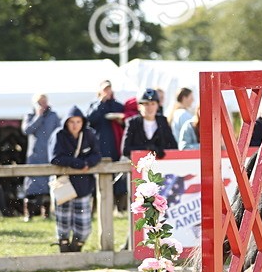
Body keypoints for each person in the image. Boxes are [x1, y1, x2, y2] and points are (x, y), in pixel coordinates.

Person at [49, 106, 102, 254]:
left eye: (78, 121)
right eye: (71, 121)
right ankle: (64, 250)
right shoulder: (58, 135)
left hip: (83, 185)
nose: (75, 125)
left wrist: (88, 163)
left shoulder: (89, 134)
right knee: (63, 223)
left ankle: (76, 250)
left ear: (82, 122)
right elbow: (54, 158)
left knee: (84, 226)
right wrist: (78, 163)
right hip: (63, 183)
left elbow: (97, 155)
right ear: (66, 122)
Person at [86, 80, 128, 211]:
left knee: (118, 176)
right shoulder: (94, 105)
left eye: (109, 89)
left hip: (115, 145)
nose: (108, 92)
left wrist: (121, 120)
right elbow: (90, 120)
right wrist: (101, 102)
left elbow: (125, 121)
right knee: (97, 176)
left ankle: (119, 207)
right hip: (99, 147)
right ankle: (96, 206)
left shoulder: (117, 105)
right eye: (105, 89)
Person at [22, 94, 61, 221]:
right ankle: (29, 214)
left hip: (49, 155)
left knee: (48, 184)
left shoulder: (53, 116)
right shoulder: (30, 115)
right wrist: (38, 117)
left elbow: (59, 132)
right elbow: (27, 130)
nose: (43, 105)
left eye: (44, 102)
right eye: (40, 102)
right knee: (32, 186)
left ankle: (46, 213)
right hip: (34, 155)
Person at [122, 88, 177, 159]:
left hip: (161, 165)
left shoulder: (163, 121)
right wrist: (147, 148)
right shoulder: (132, 123)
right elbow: (125, 150)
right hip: (138, 166)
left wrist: (160, 149)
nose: (150, 108)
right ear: (139, 106)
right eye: (146, 104)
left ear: (157, 106)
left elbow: (173, 146)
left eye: (153, 104)